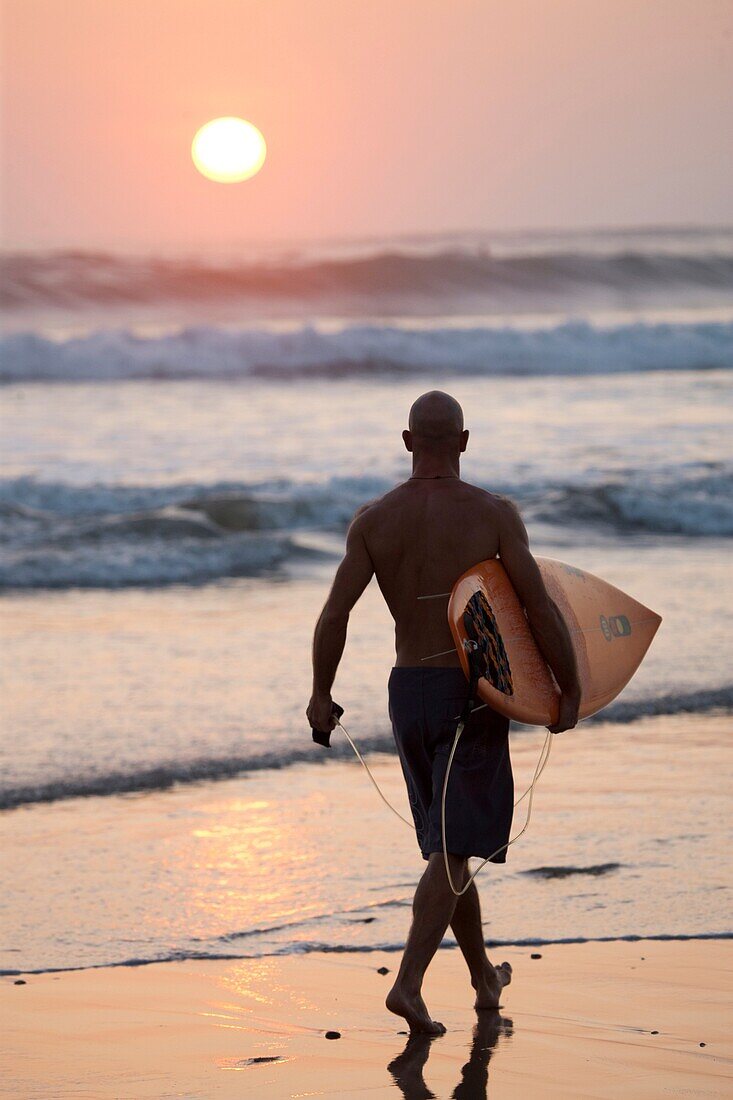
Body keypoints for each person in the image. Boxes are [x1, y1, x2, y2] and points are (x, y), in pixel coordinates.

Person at [306, 390, 580, 1035]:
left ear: (407, 442)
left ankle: (484, 979)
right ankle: (407, 984)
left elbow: (335, 613)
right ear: (462, 441)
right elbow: (537, 606)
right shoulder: (493, 514)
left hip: (409, 692)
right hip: (472, 693)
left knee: (446, 849)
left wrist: (321, 692)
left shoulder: (373, 521)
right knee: (455, 849)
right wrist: (568, 688)